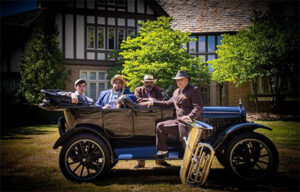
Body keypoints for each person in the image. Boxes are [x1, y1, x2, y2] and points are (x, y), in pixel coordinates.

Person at [143, 70, 203, 157]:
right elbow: (167, 103)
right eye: (177, 80)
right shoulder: (176, 92)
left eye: (181, 79)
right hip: (178, 121)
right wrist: (153, 102)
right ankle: (163, 151)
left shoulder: (193, 90)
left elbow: (198, 107)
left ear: (187, 80)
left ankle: (193, 161)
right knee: (160, 126)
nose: (179, 82)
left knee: (187, 144)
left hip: (190, 123)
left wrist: (190, 117)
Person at [133, 75, 171, 168]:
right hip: (141, 118)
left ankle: (160, 161)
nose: (148, 84)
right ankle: (140, 163)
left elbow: (162, 101)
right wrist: (150, 100)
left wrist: (150, 101)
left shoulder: (159, 90)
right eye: (146, 82)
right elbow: (137, 100)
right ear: (143, 83)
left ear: (153, 83)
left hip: (156, 117)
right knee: (141, 138)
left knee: (159, 138)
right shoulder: (138, 90)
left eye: (150, 82)